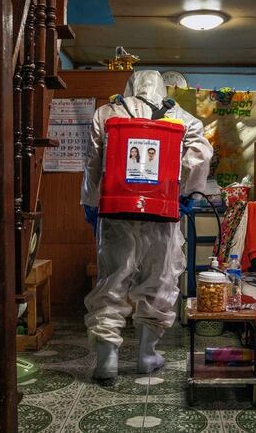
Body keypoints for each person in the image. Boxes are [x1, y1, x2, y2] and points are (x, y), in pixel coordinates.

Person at [81, 70, 213, 384]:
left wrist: (90, 202)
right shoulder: (183, 118)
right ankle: (146, 355)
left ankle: (107, 361)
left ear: (130, 87)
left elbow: (93, 161)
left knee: (112, 279)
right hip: (162, 213)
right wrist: (186, 195)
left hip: (116, 210)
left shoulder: (106, 113)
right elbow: (199, 158)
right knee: (160, 279)